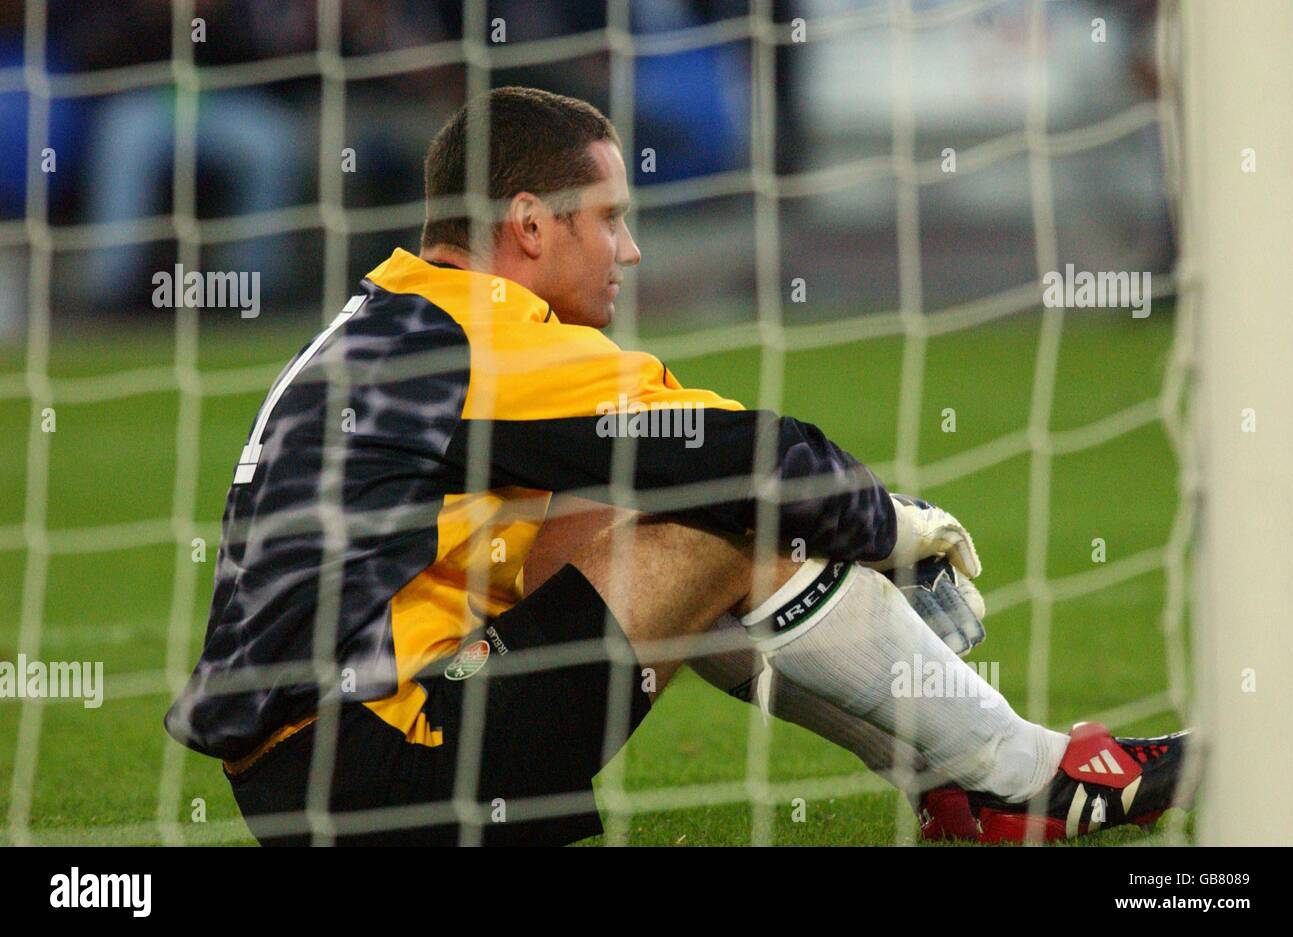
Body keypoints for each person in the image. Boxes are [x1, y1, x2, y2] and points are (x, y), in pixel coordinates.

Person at [164, 87, 1192, 846]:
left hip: (312, 782)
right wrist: (890, 523)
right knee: (713, 517)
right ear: (530, 223)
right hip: (390, 769)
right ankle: (1027, 778)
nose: (630, 250)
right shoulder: (480, 335)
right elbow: (745, 454)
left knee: (616, 508)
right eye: (609, 218)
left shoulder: (392, 315)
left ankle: (968, 788)